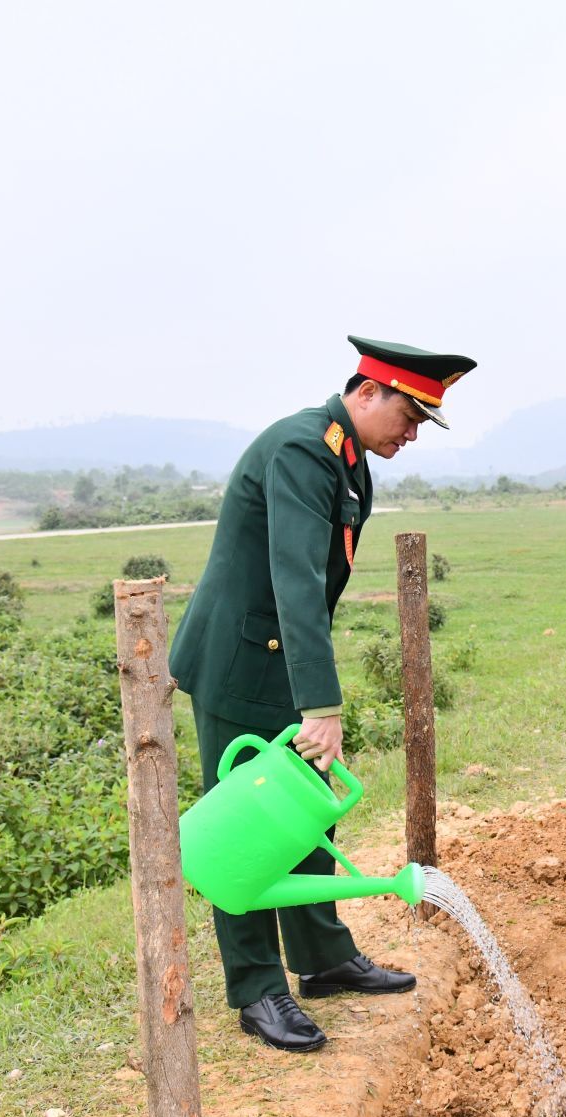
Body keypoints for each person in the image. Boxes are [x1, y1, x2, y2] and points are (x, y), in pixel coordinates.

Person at [170, 335, 474, 1051]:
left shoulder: (348, 458)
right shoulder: (302, 451)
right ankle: (256, 986)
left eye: (422, 423)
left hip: (278, 660)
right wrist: (322, 705)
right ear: (367, 392)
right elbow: (297, 582)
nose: (412, 434)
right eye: (408, 415)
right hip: (241, 661)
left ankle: (322, 957)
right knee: (250, 824)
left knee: (307, 811)